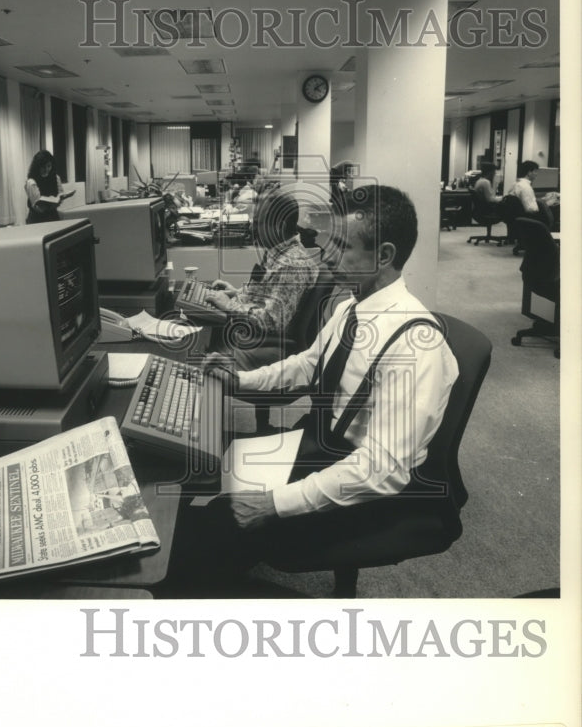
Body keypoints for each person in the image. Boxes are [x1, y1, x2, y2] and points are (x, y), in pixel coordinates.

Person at [167, 184, 459, 597]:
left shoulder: (416, 345)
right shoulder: (351, 308)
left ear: (385, 256)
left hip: (371, 491)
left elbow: (383, 470)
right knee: (211, 491)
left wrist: (274, 504)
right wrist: (241, 381)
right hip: (324, 448)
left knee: (217, 526)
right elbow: (307, 364)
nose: (328, 254)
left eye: (343, 246)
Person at [203, 191, 321, 369]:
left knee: (196, 357)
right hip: (256, 334)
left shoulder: (291, 265)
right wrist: (236, 293)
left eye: (258, 223)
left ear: (278, 227)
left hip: (266, 344)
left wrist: (229, 305)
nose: (253, 229)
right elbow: (269, 294)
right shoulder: (280, 252)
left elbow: (271, 321)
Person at [24, 150, 74, 224]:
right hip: (37, 219)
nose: (46, 169)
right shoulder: (31, 182)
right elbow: (37, 207)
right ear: (37, 166)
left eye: (49, 166)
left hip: (53, 217)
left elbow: (60, 195)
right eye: (43, 167)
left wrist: (59, 200)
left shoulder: (56, 178)